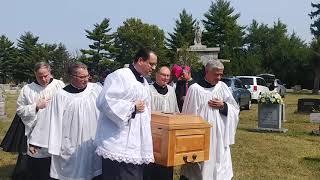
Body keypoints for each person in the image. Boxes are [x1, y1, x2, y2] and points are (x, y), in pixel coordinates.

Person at [29, 62, 102, 180]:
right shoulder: (61, 96)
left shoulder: (96, 90)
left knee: (93, 171)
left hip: (91, 141)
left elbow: (108, 106)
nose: (86, 79)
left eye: (87, 76)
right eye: (82, 77)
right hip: (70, 143)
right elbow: (49, 119)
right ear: (72, 77)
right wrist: (36, 142)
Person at [95, 48, 158, 180]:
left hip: (136, 142)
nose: (153, 68)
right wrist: (132, 107)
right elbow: (104, 101)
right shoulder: (120, 75)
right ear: (140, 60)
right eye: (151, 64)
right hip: (119, 141)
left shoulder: (144, 82)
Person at [180, 60, 239, 180]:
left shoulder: (222, 87)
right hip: (201, 136)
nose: (219, 77)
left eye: (221, 74)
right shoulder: (195, 89)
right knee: (200, 167)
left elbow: (234, 108)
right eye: (216, 74)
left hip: (219, 136)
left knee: (220, 165)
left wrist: (223, 106)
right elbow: (187, 115)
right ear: (207, 72)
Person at [15, 62, 65, 180]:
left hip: (56, 131)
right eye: (39, 76)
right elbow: (20, 110)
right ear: (35, 74)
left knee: (57, 163)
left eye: (46, 75)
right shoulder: (27, 89)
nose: (43, 79)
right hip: (35, 133)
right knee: (38, 166)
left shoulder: (59, 85)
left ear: (50, 72)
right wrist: (36, 106)